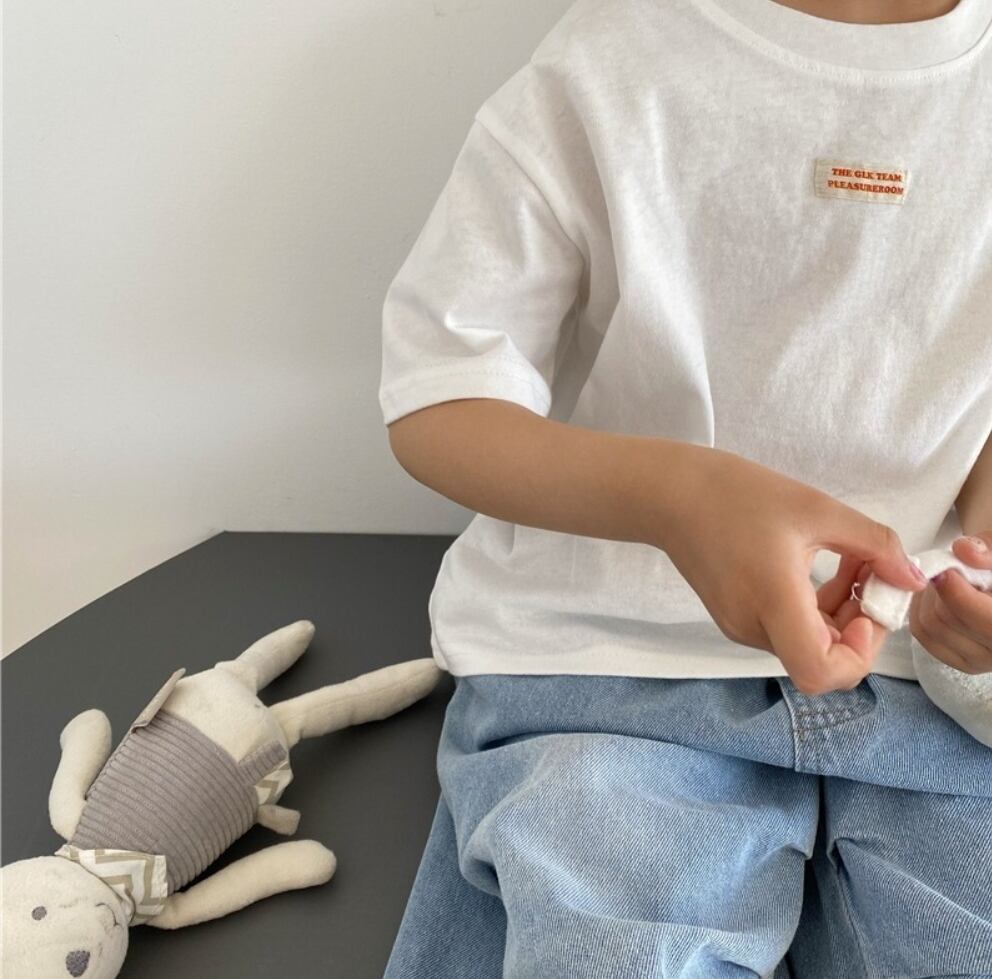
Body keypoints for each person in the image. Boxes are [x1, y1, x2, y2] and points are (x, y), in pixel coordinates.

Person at [377, 0, 992, 973]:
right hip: (605, 669)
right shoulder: (611, 60)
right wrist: (677, 498)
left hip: (934, 685)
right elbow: (439, 393)